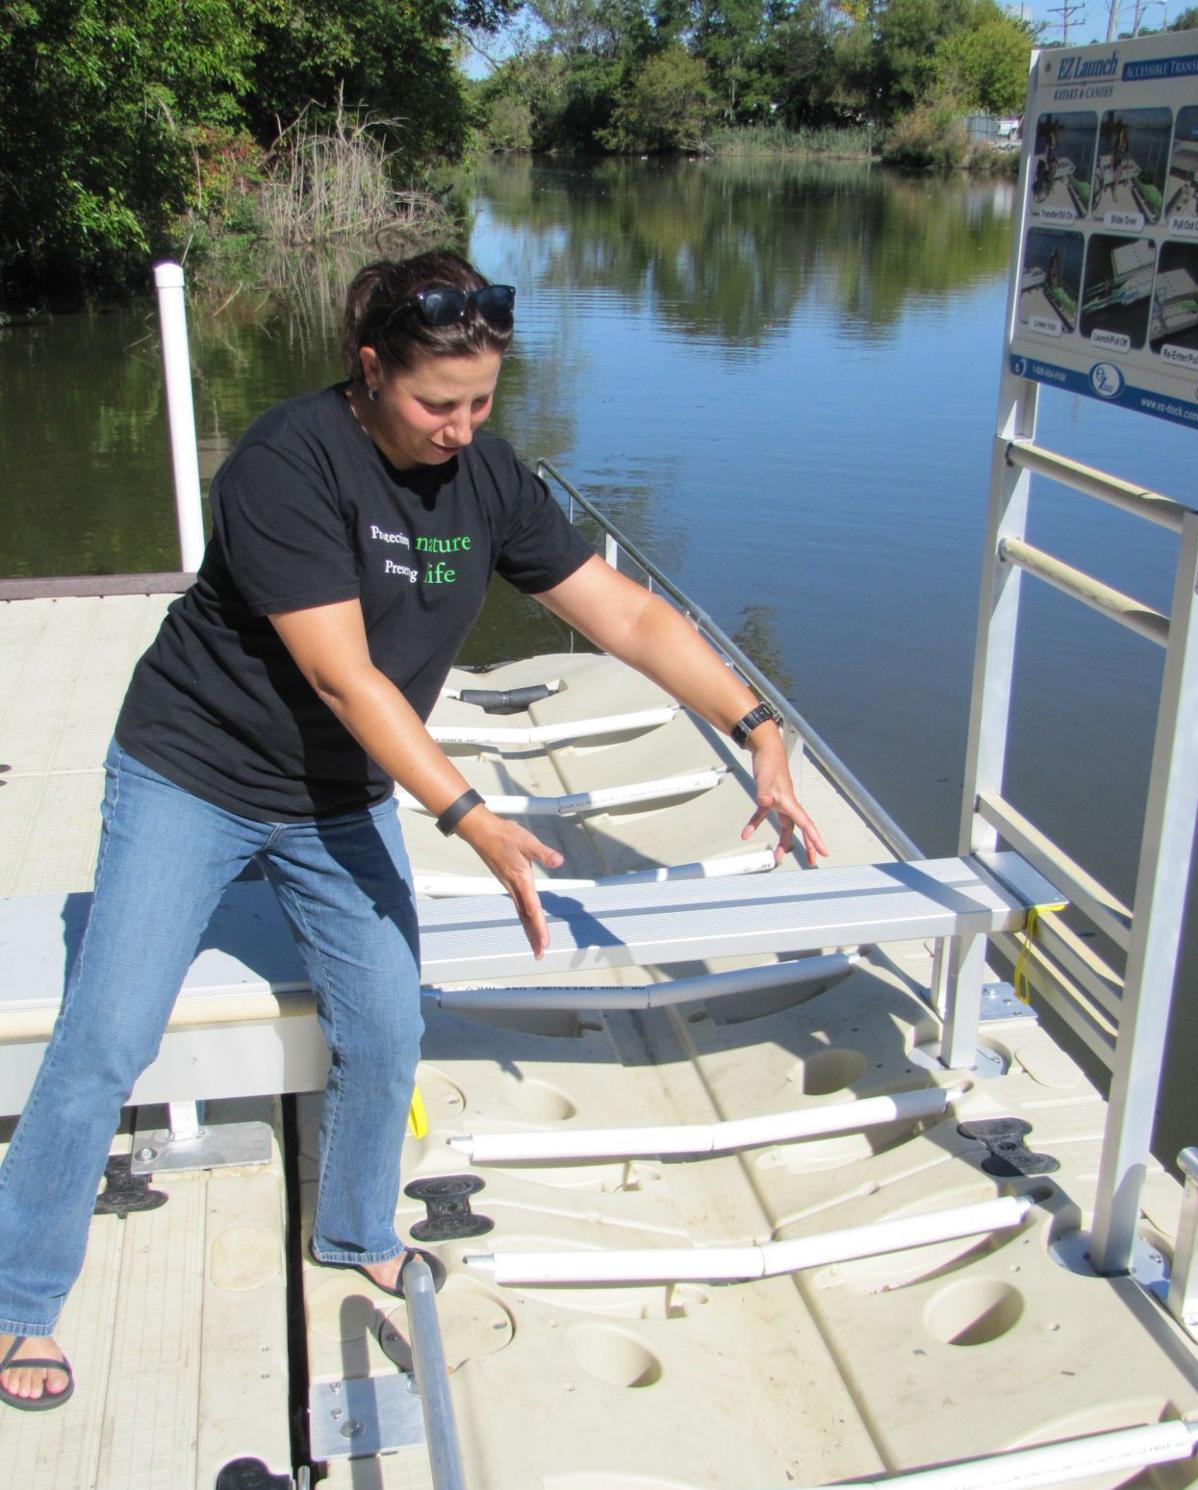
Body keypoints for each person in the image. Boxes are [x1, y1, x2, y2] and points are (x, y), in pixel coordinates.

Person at [0, 250, 825, 1409]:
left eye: (483, 401)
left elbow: (625, 612)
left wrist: (755, 722)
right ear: (369, 367)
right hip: (193, 771)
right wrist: (471, 815)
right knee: (108, 1037)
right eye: (439, 403)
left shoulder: (488, 481)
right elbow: (343, 677)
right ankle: (19, 1299)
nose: (461, 427)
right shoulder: (288, 462)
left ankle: (351, 1230)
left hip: (335, 797)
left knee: (389, 1024)